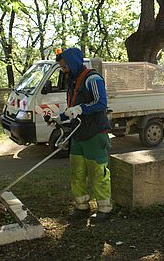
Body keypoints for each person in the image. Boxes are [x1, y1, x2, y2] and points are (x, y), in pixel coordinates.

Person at [51, 47, 112, 223]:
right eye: (62, 67)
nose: (64, 70)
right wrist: (60, 117)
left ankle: (104, 208)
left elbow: (101, 103)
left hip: (94, 133)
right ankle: (82, 206)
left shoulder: (93, 78)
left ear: (73, 63)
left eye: (65, 66)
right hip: (77, 134)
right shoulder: (73, 81)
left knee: (97, 172)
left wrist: (81, 109)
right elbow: (72, 107)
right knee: (77, 171)